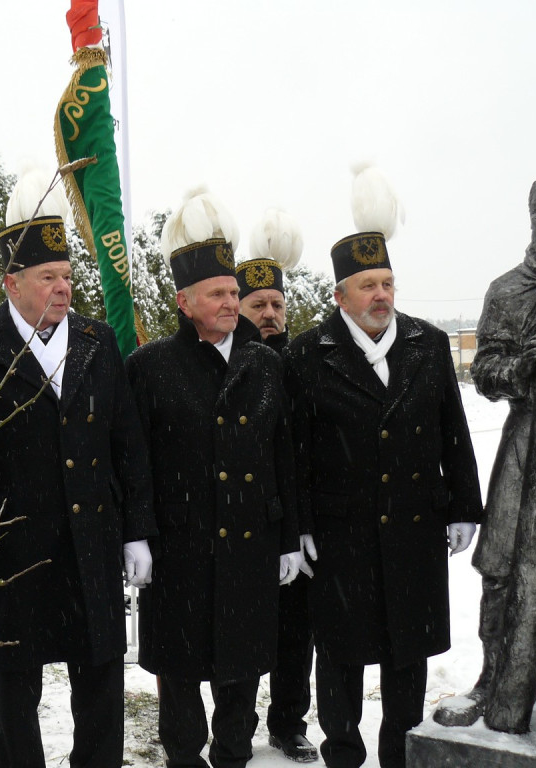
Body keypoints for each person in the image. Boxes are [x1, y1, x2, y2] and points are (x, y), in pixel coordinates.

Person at [0, 172, 156, 768]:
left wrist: (137, 527)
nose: (63, 287)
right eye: (48, 277)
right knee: (15, 685)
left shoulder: (97, 340)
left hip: (91, 539)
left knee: (101, 680)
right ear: (12, 283)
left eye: (66, 275)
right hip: (16, 547)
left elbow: (125, 442)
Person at [283, 165, 482, 768]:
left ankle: (401, 752)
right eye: (367, 285)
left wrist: (465, 507)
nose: (381, 296)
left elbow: (454, 430)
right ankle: (343, 752)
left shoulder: (425, 343)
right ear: (339, 295)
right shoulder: (307, 356)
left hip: (414, 528)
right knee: (341, 658)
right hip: (342, 538)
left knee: (407, 656)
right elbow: (290, 454)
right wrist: (298, 527)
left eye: (388, 282)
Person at [126, 188, 302, 768]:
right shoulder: (149, 368)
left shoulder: (266, 364)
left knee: (242, 672)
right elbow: (136, 463)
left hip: (250, 548)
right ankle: (183, 757)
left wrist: (287, 538)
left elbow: (285, 459)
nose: (233, 303)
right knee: (179, 676)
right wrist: (139, 534)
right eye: (219, 294)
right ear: (184, 300)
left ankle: (232, 756)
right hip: (179, 552)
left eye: (234, 293)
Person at [460, 170, 536, 716]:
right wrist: (519, 368)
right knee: (501, 571)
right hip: (525, 446)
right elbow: (484, 370)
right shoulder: (508, 290)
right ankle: (495, 679)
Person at [236, 209, 317, 763]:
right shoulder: (229, 359)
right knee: (239, 633)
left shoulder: (303, 360)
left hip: (298, 520)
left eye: (276, 305)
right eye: (257, 304)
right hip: (242, 518)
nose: (269, 314)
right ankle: (234, 727)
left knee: (296, 633)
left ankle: (288, 722)